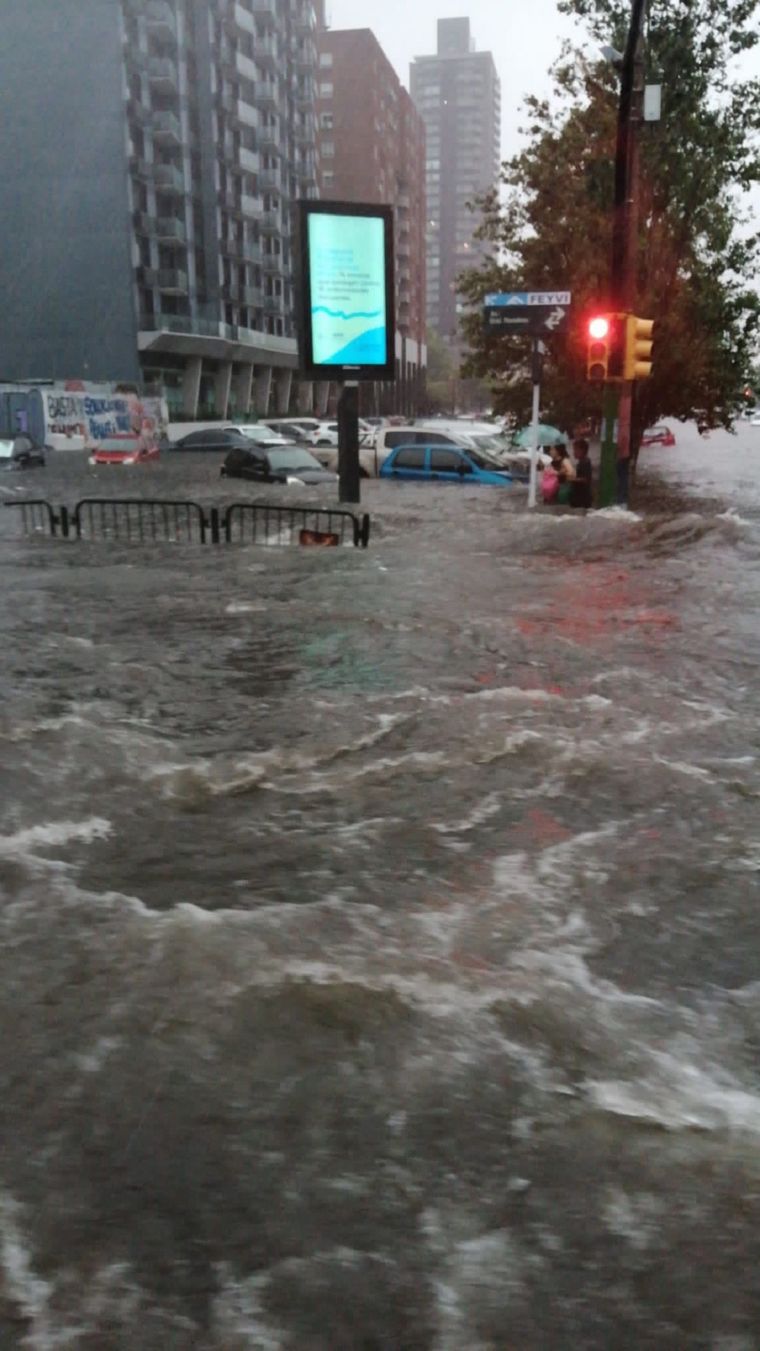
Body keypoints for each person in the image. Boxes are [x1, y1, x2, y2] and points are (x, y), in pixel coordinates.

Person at [570, 437, 593, 508]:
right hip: (580, 497)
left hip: (582, 498)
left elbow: (585, 479)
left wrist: (572, 479)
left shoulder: (585, 462)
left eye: (575, 450)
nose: (574, 452)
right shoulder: (581, 462)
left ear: (582, 450)